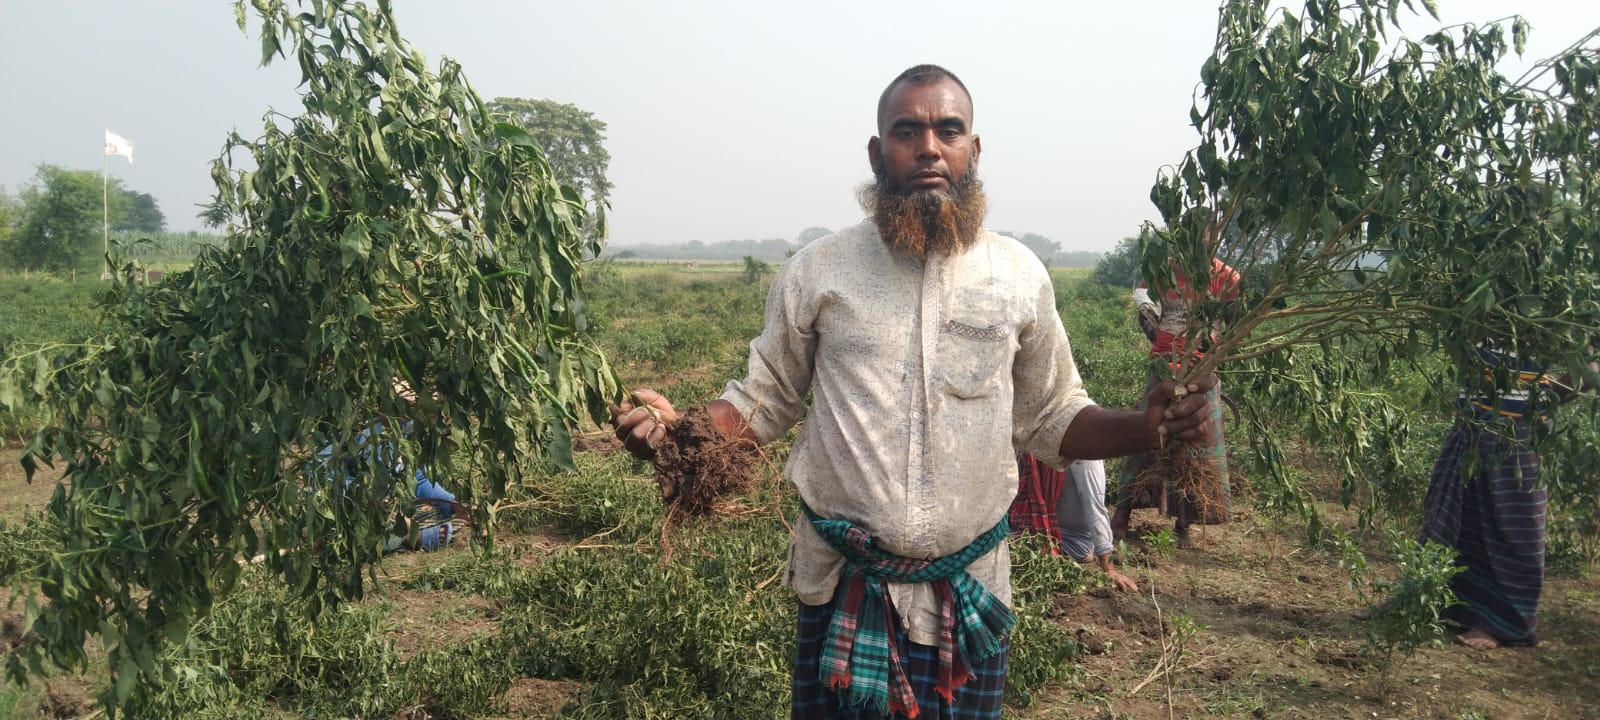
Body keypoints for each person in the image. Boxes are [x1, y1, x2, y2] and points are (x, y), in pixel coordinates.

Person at [610, 64, 1216, 719]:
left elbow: (1052, 415)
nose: (929, 146)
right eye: (907, 131)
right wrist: (678, 437)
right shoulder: (820, 270)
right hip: (844, 587)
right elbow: (766, 397)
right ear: (878, 153)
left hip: (971, 589)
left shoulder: (1017, 274)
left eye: (948, 130)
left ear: (973, 150)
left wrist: (1144, 427)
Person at [1419, 343, 1594, 650]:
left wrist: (1547, 398)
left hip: (1521, 429)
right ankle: (1426, 600)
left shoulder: (1549, 306)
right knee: (1451, 515)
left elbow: (1591, 366)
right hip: (1470, 421)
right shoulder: (1486, 304)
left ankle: (1502, 624)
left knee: (1513, 527)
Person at [1109, 220, 1240, 549]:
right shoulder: (1163, 271)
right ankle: (1121, 515)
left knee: (1197, 447)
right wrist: (1147, 311)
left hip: (1203, 368)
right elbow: (1143, 295)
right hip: (1165, 366)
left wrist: (1212, 347)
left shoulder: (1226, 277)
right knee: (1147, 438)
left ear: (1214, 239)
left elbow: (1233, 322)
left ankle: (1185, 524)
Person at [1010, 455, 1138, 593]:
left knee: (1001, 549)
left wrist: (1108, 568)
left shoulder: (1084, 454)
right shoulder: (1038, 448)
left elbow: (1094, 507)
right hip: (1040, 530)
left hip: (1071, 541)